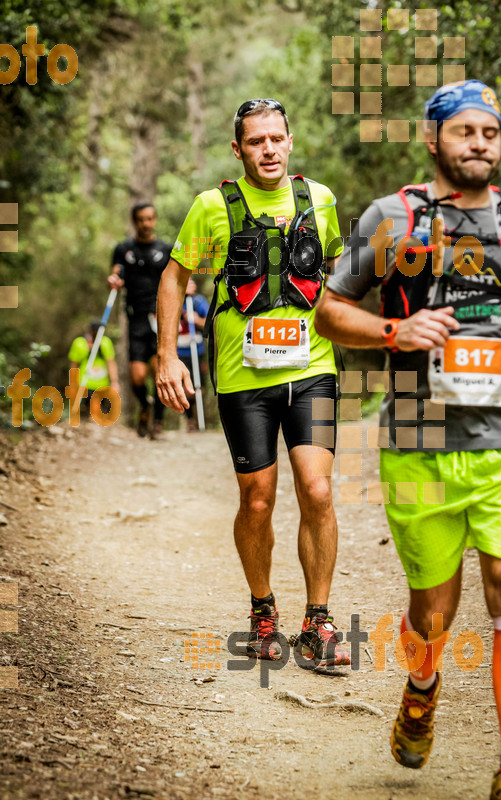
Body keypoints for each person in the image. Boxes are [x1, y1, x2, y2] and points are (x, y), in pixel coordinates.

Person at [315, 80, 501, 798]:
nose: (478, 144)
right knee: (432, 608)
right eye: (464, 131)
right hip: (416, 436)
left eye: (489, 133)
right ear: (432, 139)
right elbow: (328, 310)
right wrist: (393, 330)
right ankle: (421, 684)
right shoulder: (391, 220)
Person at [156, 98, 350, 668]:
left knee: (317, 490)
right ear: (238, 148)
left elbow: (338, 273)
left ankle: (319, 623)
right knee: (257, 500)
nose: (268, 149)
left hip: (313, 368)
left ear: (290, 142)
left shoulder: (321, 201)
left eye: (276, 139)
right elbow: (174, 277)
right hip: (244, 379)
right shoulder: (211, 207)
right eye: (256, 141)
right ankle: (263, 612)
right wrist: (168, 356)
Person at [107, 203, 173, 439]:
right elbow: (117, 273)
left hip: (161, 318)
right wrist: (114, 279)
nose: (145, 224)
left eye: (149, 219)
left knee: (160, 375)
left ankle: (156, 423)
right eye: (141, 220)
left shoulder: (166, 249)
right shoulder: (124, 249)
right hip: (135, 320)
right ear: (135, 222)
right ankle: (144, 406)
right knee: (137, 376)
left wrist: (187, 289)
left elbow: (176, 279)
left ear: (155, 220)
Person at [177, 277, 209, 431]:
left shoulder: (198, 301)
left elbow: (208, 322)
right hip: (179, 351)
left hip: (197, 350)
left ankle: (199, 418)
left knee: (199, 387)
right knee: (185, 387)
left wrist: (196, 320)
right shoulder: (175, 299)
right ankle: (190, 419)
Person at [68, 321, 119, 414]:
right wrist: (73, 383)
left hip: (102, 384)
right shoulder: (79, 343)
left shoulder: (106, 343)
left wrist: (114, 382)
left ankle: (97, 421)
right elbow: (74, 364)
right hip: (85, 383)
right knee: (92, 406)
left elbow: (111, 362)